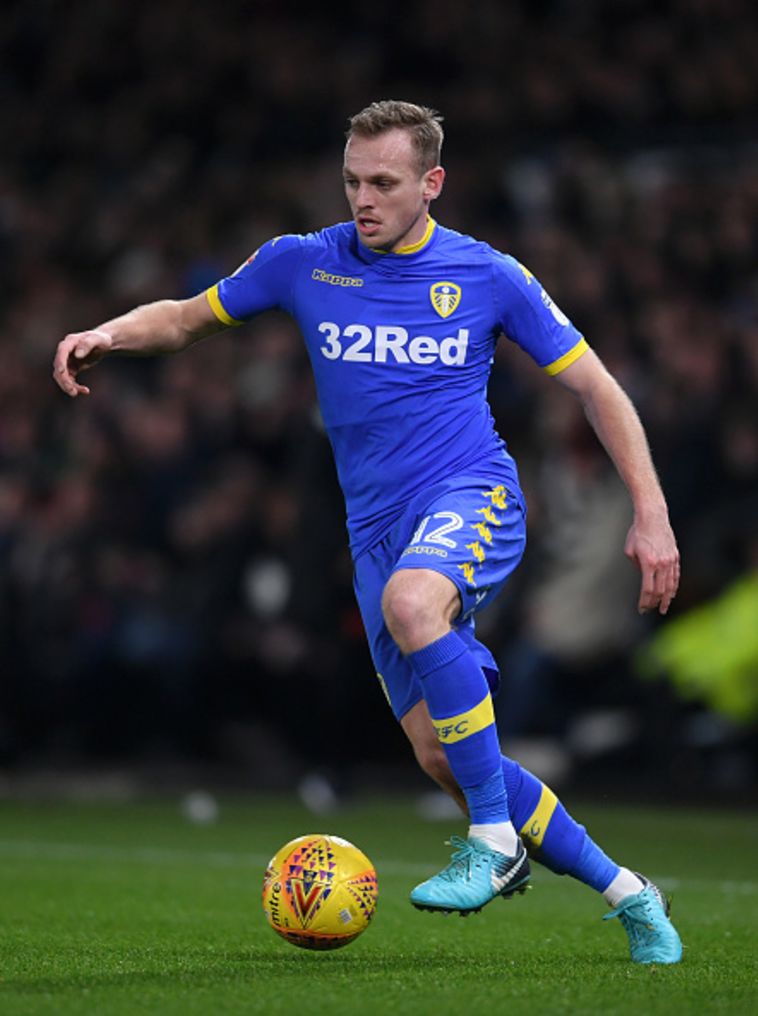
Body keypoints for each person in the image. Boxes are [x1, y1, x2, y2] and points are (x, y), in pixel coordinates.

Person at [53, 100, 682, 964]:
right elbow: (187, 318)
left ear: (433, 183)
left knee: (414, 605)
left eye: (384, 182)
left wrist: (651, 512)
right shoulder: (304, 262)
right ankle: (630, 893)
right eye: (352, 180)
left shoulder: (489, 274)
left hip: (471, 493)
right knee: (444, 756)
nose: (363, 199)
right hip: (376, 532)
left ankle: (493, 843)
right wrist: (108, 334)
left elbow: (598, 388)